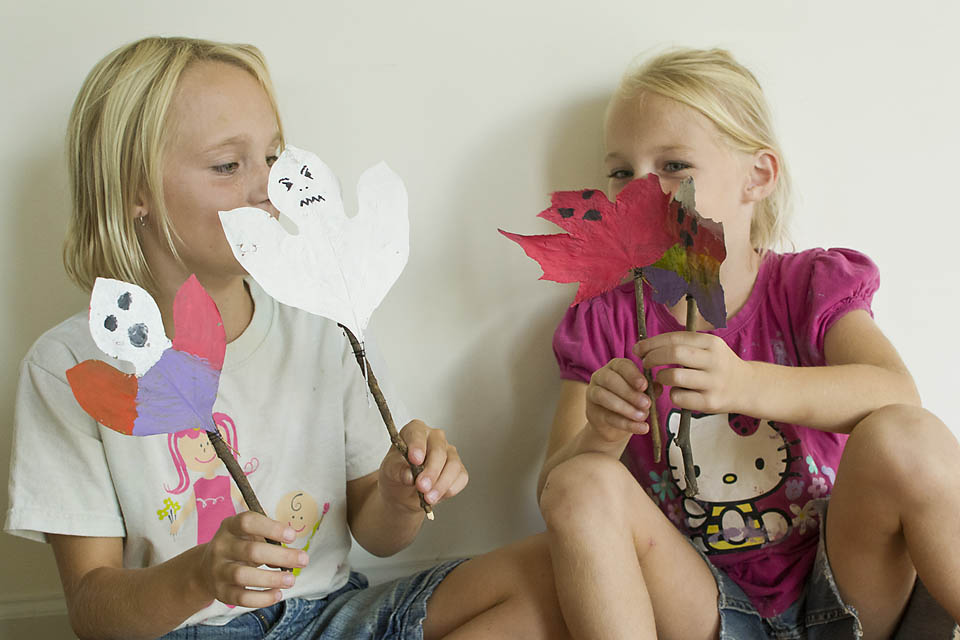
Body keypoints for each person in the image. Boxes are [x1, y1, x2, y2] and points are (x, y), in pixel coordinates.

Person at [4, 36, 567, 640]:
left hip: (329, 615)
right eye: (228, 165)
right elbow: (94, 612)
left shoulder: (322, 326)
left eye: (272, 158)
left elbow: (371, 529)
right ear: (132, 191)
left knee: (548, 572)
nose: (267, 188)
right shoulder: (67, 366)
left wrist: (401, 497)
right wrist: (199, 577)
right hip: (190, 630)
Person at [537, 48, 960, 639]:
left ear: (756, 177)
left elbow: (897, 394)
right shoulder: (606, 318)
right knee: (580, 482)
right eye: (620, 172)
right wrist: (601, 436)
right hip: (704, 607)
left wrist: (745, 382)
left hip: (847, 586)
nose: (640, 192)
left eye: (674, 165)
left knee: (906, 436)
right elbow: (552, 489)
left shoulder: (807, 286)